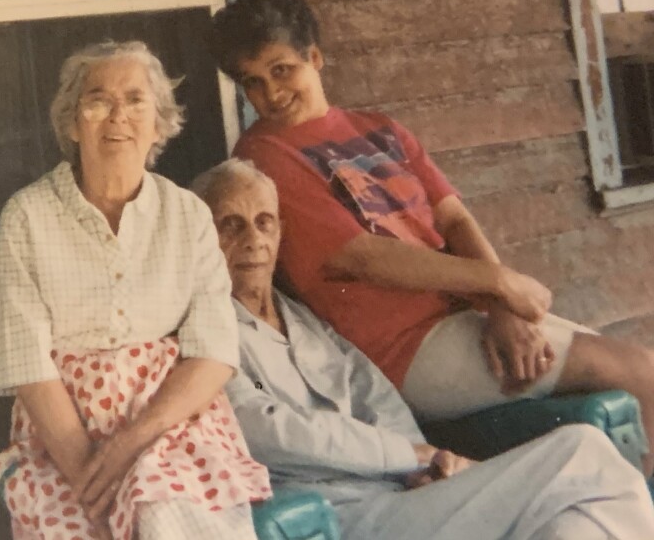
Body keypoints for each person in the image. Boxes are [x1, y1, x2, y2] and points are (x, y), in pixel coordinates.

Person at [209, 0, 654, 476]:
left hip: (463, 318)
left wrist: (501, 303)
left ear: (314, 57)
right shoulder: (266, 154)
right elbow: (361, 255)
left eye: (281, 70)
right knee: (635, 371)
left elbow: (454, 219)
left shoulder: (376, 128)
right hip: (400, 348)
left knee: (639, 374)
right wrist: (497, 283)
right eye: (252, 83)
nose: (270, 94)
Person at [192, 158, 654, 540]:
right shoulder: (205, 330)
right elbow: (273, 431)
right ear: (201, 236)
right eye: (230, 225)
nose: (253, 239)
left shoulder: (302, 320)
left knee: (572, 525)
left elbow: (372, 391)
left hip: (403, 497)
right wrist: (410, 456)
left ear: (279, 233)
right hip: (339, 515)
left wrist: (424, 462)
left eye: (264, 222)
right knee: (583, 452)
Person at [0, 41, 270, 540]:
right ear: (73, 124)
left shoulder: (187, 215)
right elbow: (25, 360)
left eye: (136, 101)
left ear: (159, 122)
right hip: (63, 436)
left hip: (169, 424)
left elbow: (214, 351)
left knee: (169, 519)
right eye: (98, 101)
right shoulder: (27, 216)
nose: (118, 116)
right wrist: (89, 478)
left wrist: (129, 444)